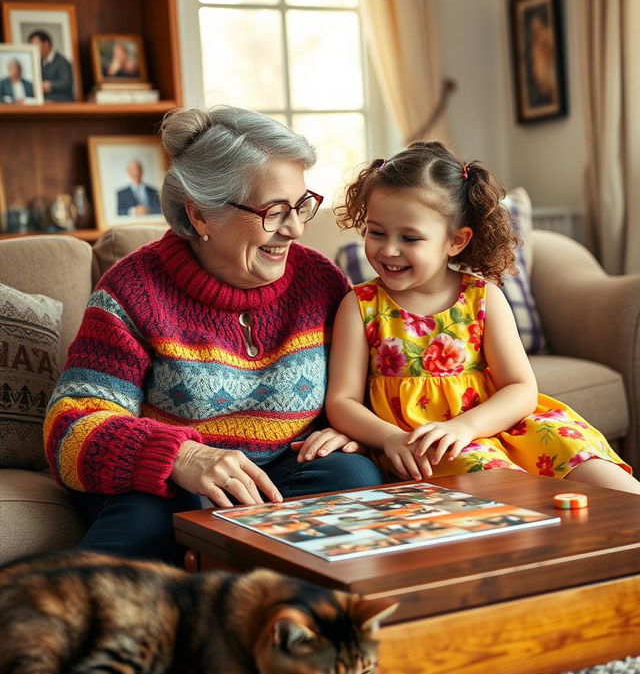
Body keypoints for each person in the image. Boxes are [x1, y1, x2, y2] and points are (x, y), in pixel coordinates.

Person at [44, 106, 384, 564]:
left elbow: (364, 391)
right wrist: (182, 458)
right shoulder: (133, 291)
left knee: (354, 475)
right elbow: (69, 429)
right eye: (274, 211)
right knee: (160, 515)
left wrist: (357, 433)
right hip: (172, 484)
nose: (296, 229)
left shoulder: (320, 282)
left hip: (281, 476)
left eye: (301, 205)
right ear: (201, 215)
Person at [324, 142, 640, 496]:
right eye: (376, 232)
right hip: (429, 443)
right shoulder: (361, 305)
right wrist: (392, 439)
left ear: (456, 241)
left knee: (590, 464)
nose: (389, 249)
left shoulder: (483, 296)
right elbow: (342, 401)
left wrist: (466, 426)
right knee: (508, 492)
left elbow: (520, 388)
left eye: (409, 237)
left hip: (500, 424)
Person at [27, 30, 73, 102]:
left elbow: (66, 82)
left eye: (36, 44)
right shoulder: (40, 63)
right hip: (45, 102)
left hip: (62, 103)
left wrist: (48, 85)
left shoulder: (62, 61)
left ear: (46, 44)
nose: (33, 48)